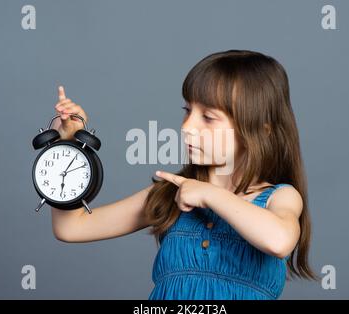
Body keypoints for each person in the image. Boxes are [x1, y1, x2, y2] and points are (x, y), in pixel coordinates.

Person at [50, 49, 316, 300]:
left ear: (262, 129)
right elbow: (71, 227)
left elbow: (279, 240)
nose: (187, 126)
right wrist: (66, 147)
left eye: (208, 117)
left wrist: (211, 195)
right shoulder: (172, 193)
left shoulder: (279, 198)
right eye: (188, 111)